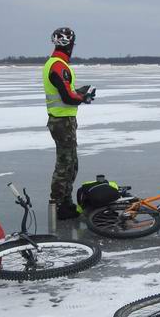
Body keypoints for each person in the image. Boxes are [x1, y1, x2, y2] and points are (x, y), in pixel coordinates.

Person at [42, 27, 95, 220]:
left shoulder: (56, 64)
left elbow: (67, 91)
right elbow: (67, 97)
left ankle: (65, 203)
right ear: (70, 44)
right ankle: (59, 206)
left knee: (71, 163)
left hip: (62, 120)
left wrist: (80, 93)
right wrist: (83, 98)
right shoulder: (58, 65)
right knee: (65, 165)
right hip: (62, 121)